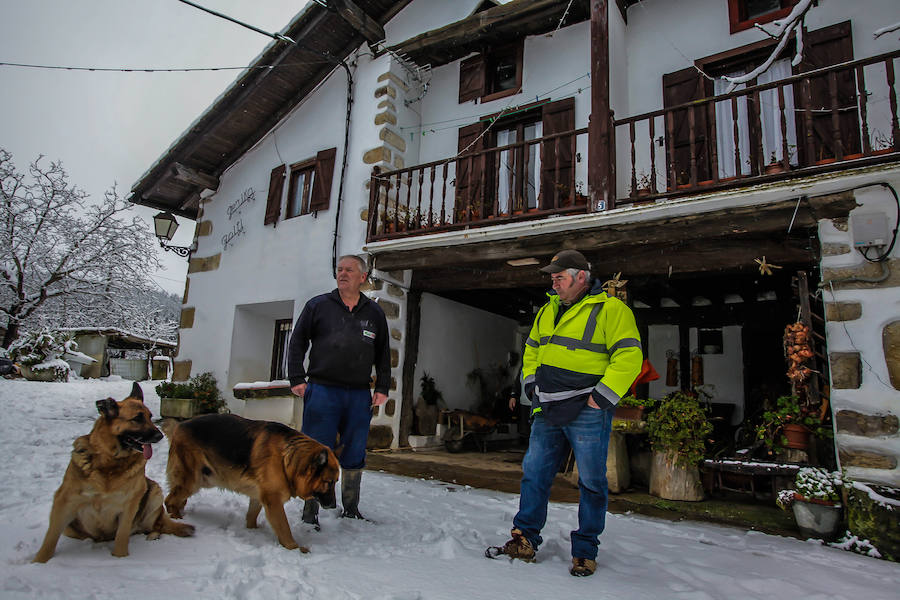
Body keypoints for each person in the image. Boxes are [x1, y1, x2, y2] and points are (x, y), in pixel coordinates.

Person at [488, 249, 642, 577]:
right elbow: (531, 351)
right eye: (552, 277)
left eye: (559, 276)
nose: (553, 281)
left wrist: (601, 398)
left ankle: (585, 550)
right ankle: (524, 537)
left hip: (588, 409)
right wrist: (531, 388)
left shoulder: (611, 309)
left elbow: (629, 357)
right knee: (535, 474)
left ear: (581, 277)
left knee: (591, 481)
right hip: (547, 408)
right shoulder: (547, 309)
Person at [287, 254, 390, 528]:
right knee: (315, 452)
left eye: (349, 270)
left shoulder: (374, 313)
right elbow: (297, 342)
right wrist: (296, 377)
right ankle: (310, 513)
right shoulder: (318, 305)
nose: (342, 274)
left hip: (358, 395)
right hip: (322, 390)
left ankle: (351, 509)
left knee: (355, 451)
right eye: (340, 269)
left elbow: (383, 354)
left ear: (363, 278)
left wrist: (382, 387)